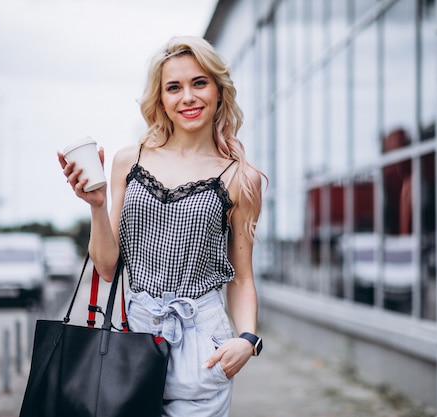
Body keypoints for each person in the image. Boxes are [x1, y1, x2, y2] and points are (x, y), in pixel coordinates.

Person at [58, 35, 264, 417]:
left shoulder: (241, 178)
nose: (187, 97)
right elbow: (106, 268)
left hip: (204, 345)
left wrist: (248, 339)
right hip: (130, 335)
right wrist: (97, 207)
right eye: (174, 87)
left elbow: (242, 277)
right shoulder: (128, 161)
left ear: (219, 91)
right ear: (161, 100)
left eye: (199, 83)